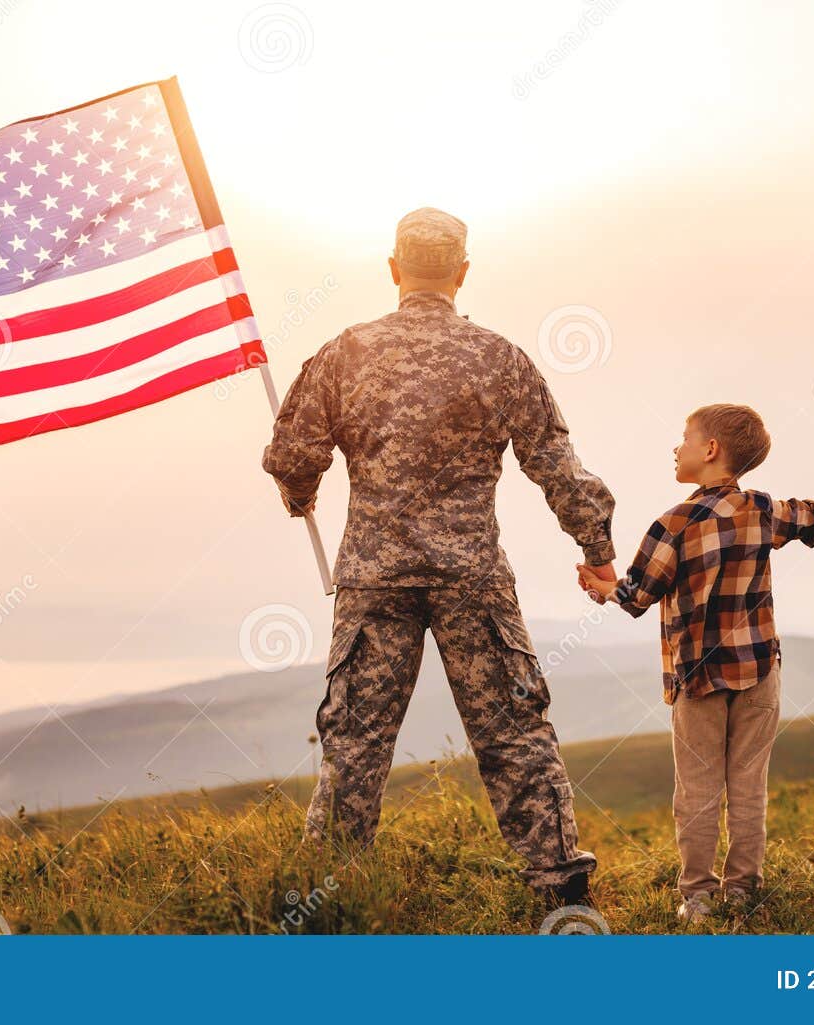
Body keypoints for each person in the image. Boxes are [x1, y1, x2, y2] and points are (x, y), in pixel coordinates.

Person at [262, 207, 615, 907]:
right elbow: (554, 462)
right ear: (462, 272)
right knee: (514, 729)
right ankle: (561, 892)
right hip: (471, 577)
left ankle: (331, 893)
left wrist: (299, 494)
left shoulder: (345, 353)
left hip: (374, 575)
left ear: (393, 269)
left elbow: (294, 454)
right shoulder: (499, 357)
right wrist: (597, 547)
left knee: (356, 739)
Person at [576, 403, 814, 921]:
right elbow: (812, 514)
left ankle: (697, 897)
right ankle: (744, 890)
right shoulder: (763, 510)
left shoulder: (671, 523)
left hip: (697, 677)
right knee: (748, 786)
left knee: (697, 791)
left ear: (711, 450)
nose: (676, 448)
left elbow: (635, 597)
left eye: (683, 437)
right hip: (760, 671)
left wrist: (601, 586)